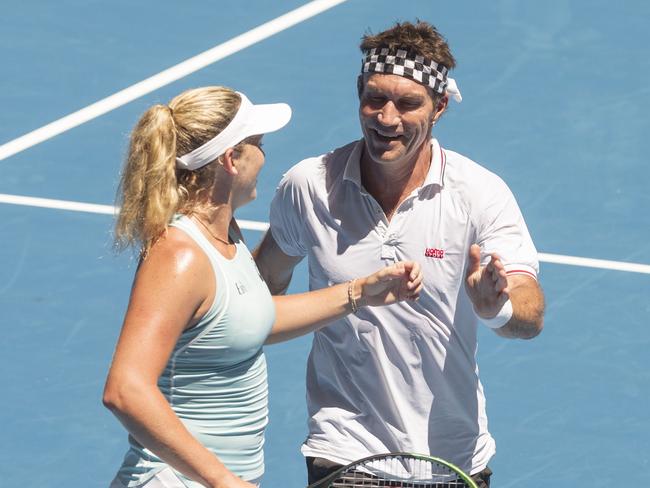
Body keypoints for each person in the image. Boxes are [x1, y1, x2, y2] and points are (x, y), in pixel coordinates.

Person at [254, 21, 545, 488]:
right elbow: (256, 294)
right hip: (345, 450)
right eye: (374, 99)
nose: (386, 118)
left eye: (408, 104)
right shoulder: (309, 186)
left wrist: (498, 308)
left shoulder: (480, 194)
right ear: (358, 93)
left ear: (440, 107)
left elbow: (529, 314)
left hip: (454, 457)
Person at [102, 86, 423, 488]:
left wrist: (359, 293)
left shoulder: (225, 237)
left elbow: (249, 319)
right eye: (257, 145)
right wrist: (221, 479)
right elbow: (125, 389)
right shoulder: (180, 255)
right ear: (230, 159)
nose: (264, 156)